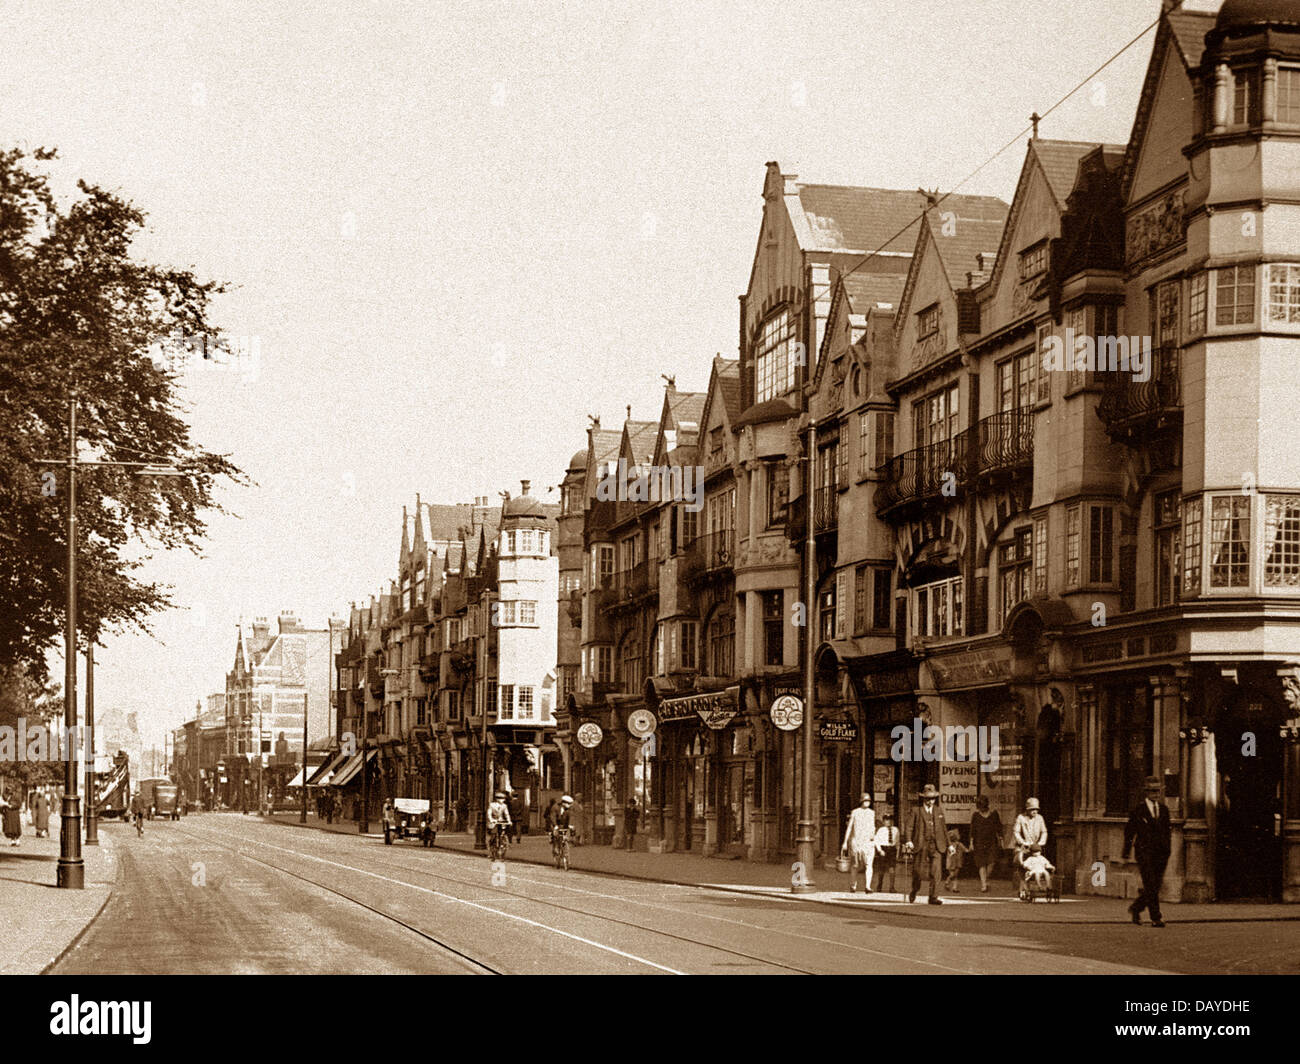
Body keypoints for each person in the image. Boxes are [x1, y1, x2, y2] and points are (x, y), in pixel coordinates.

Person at [1123, 775, 1172, 928]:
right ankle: (1156, 918)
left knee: (1155, 886)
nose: (1155, 794)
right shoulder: (1138, 810)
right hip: (1144, 853)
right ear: (1146, 792)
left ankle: (1136, 908)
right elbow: (1129, 832)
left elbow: (1167, 832)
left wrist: (1168, 850)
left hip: (1161, 854)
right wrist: (1125, 853)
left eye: (1157, 791)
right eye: (1152, 791)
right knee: (1150, 884)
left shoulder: (1164, 810)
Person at [904, 783, 947, 904]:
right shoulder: (916, 810)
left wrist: (949, 845)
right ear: (924, 798)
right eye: (928, 798)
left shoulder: (938, 810)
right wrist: (908, 840)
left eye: (933, 798)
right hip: (921, 844)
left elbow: (943, 828)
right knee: (917, 871)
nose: (931, 801)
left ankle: (933, 897)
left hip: (936, 844)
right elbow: (909, 827)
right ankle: (914, 889)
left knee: (936, 871)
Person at [840, 792, 877, 893]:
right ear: (861, 801)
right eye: (865, 800)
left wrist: (873, 837)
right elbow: (849, 827)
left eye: (868, 801)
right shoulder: (855, 812)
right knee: (855, 865)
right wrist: (845, 842)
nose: (867, 802)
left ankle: (868, 886)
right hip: (856, 842)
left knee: (869, 864)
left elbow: (872, 826)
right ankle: (853, 885)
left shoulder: (872, 813)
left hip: (868, 842)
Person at [969, 794, 1004, 894]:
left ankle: (986, 879)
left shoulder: (994, 814)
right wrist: (971, 843)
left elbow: (999, 827)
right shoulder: (975, 816)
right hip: (979, 842)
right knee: (981, 864)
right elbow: (972, 830)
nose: (981, 809)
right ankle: (983, 884)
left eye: (982, 806)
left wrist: (1001, 840)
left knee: (991, 863)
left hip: (991, 842)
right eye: (979, 807)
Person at [1013, 797, 1048, 872]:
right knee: (1021, 863)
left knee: (1040, 863)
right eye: (1032, 809)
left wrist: (1041, 842)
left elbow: (1044, 831)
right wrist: (1023, 842)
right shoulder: (1021, 818)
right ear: (1027, 809)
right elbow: (1016, 832)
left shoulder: (1040, 818)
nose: (1035, 811)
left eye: (1036, 809)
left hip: (1035, 847)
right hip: (1023, 847)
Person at [872, 814, 900, 893]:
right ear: (884, 821)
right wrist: (880, 850)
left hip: (892, 849)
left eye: (890, 820)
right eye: (887, 820)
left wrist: (897, 852)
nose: (889, 822)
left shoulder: (896, 829)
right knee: (882, 868)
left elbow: (897, 842)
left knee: (892, 868)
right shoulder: (881, 830)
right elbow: (876, 841)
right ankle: (879, 885)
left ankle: (892, 887)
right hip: (883, 849)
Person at [944, 828, 970, 892]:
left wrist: (968, 850)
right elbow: (953, 852)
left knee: (955, 875)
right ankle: (947, 882)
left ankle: (954, 888)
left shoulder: (959, 844)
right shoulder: (951, 845)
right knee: (953, 874)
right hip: (952, 861)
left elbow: (966, 850)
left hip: (957, 861)